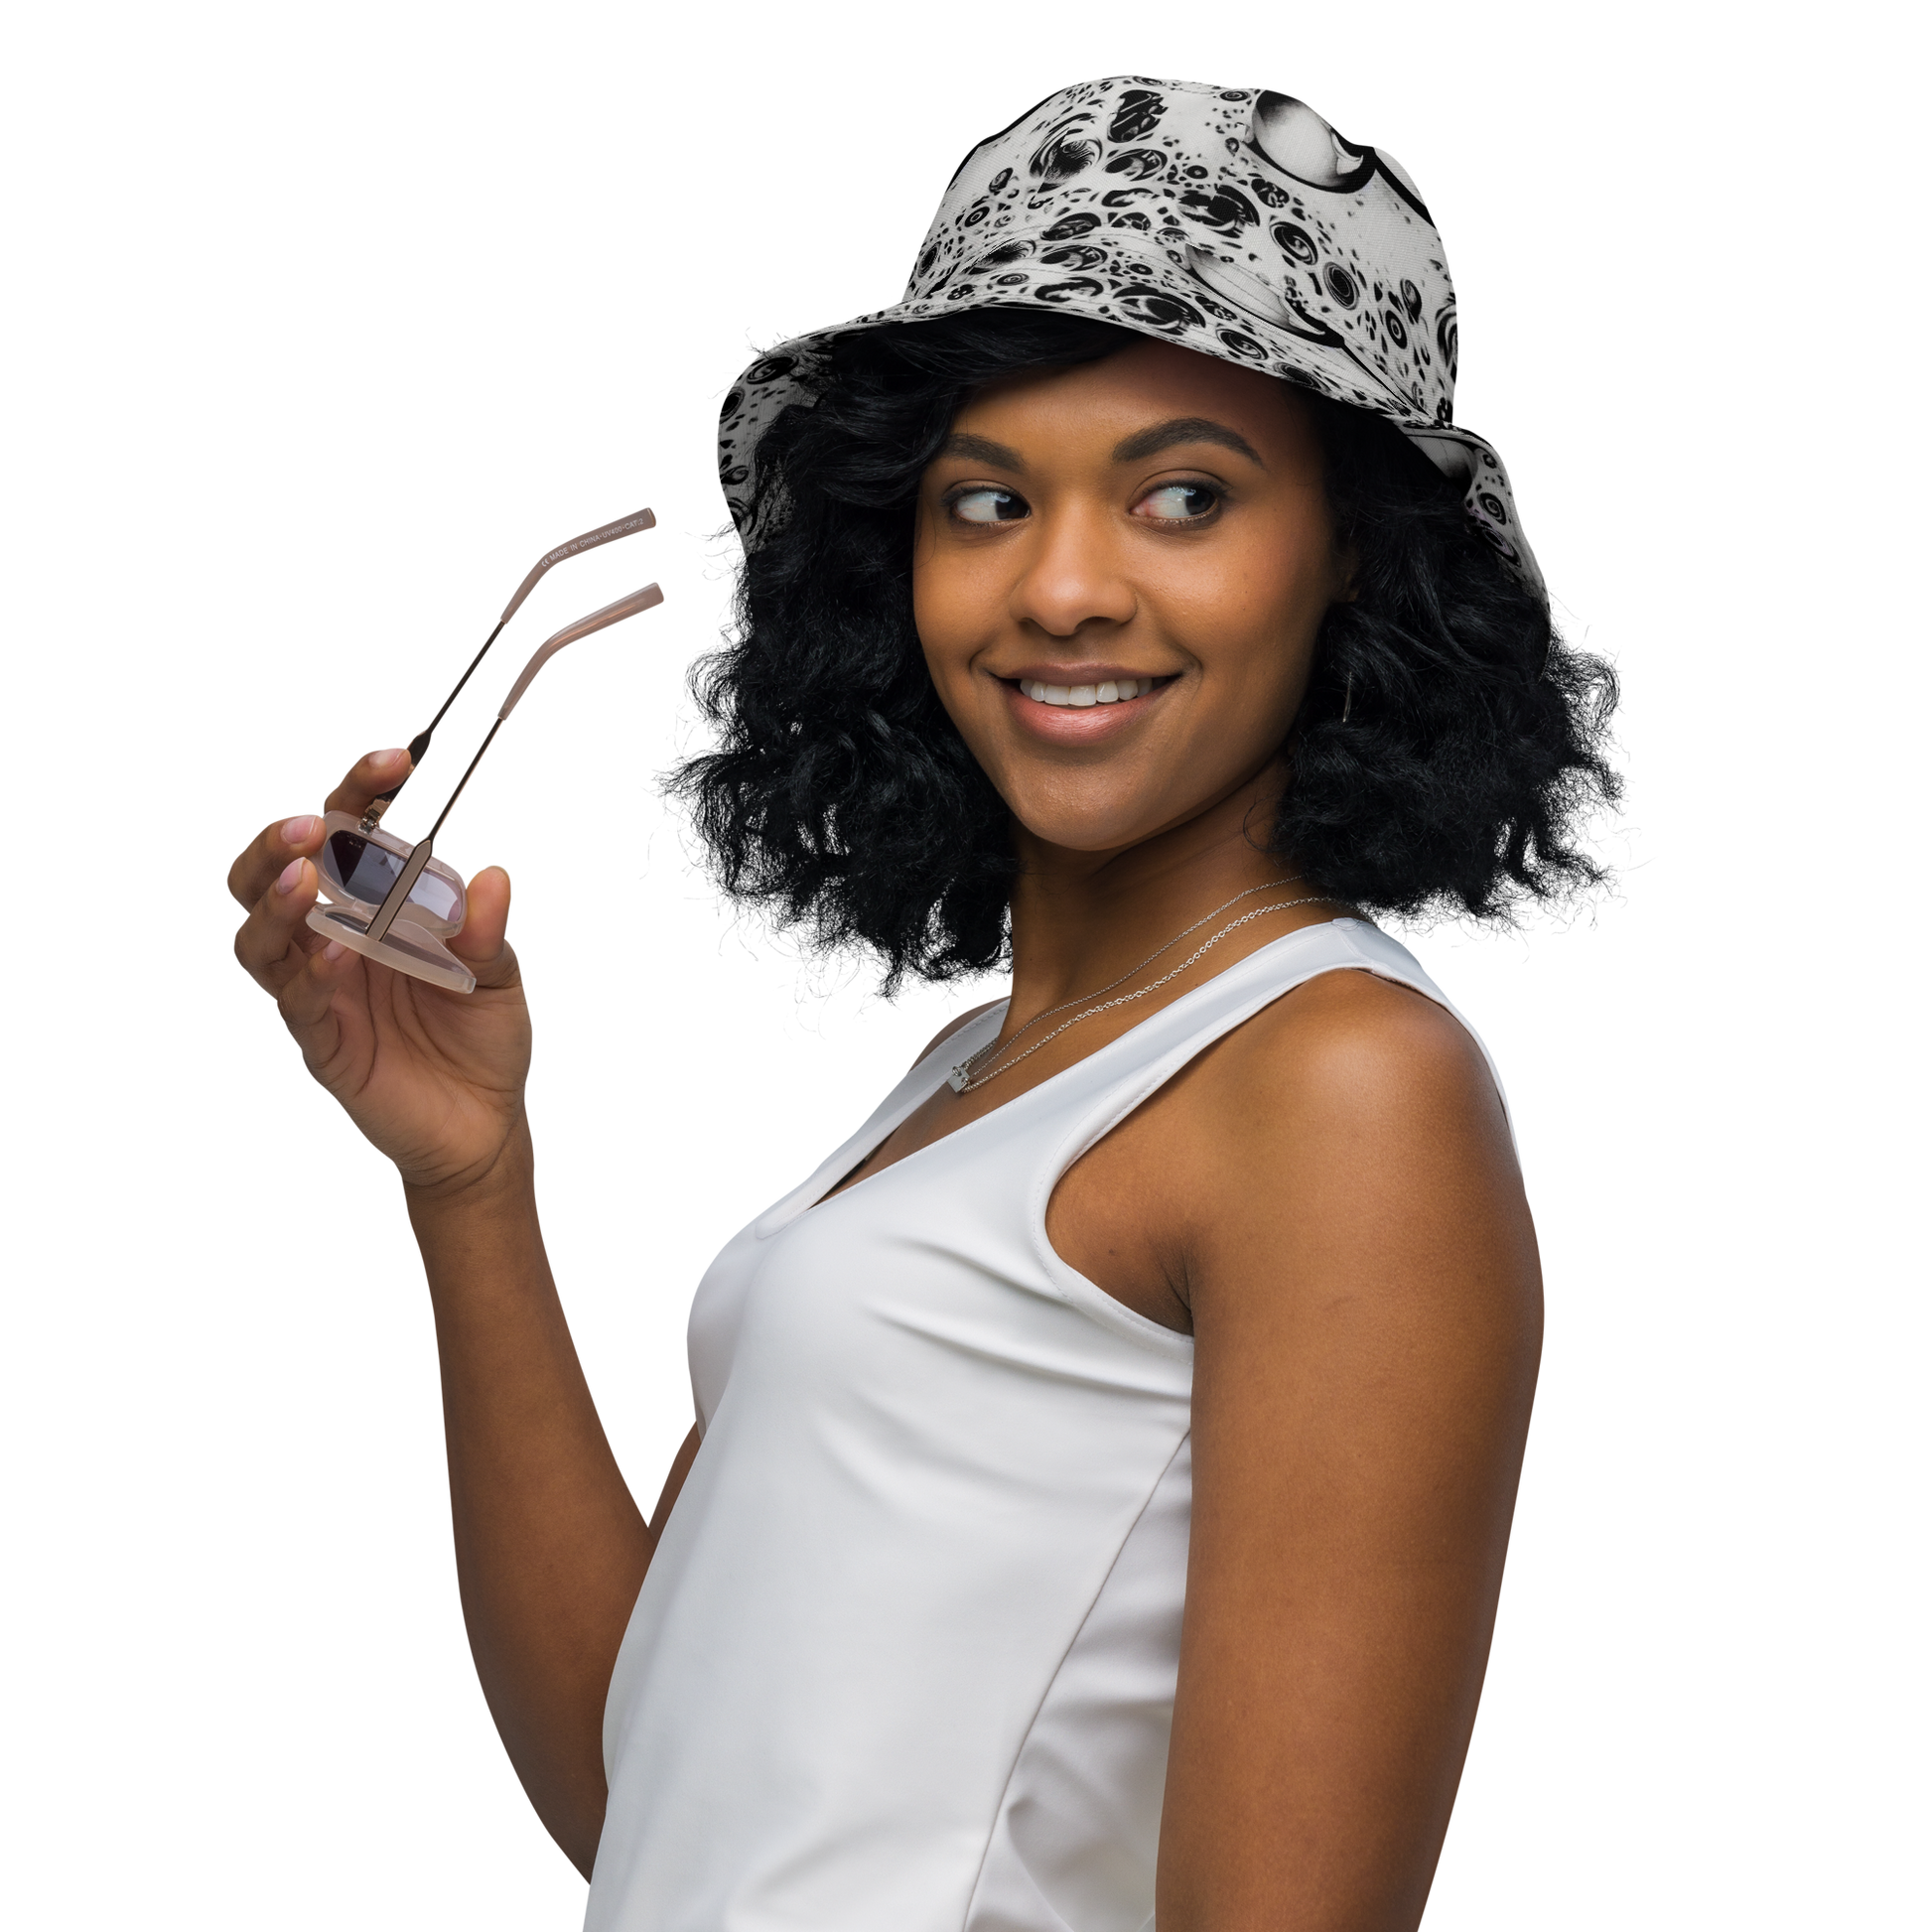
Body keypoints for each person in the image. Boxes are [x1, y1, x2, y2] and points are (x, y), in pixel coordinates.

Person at [227, 73, 1638, 1931]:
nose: (1061, 588)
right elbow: (639, 1789)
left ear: (1352, 546)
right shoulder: (973, 1066)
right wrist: (469, 1180)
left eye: (1184, 496)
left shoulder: (1339, 1081)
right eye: (987, 499)